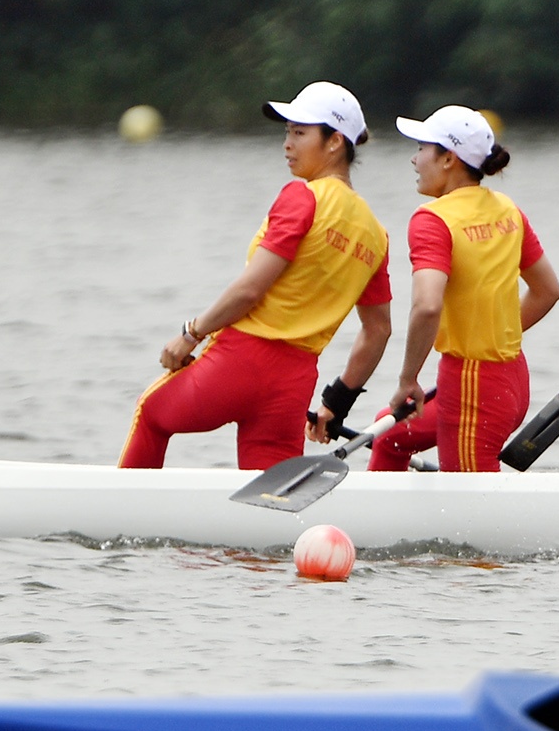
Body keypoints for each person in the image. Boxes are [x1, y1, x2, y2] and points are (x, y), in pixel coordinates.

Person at [119, 82, 392, 470]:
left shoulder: (303, 197)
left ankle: (123, 515)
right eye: (287, 132)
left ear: (334, 142)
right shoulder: (376, 234)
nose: (287, 143)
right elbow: (378, 330)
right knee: (268, 492)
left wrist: (190, 334)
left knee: (153, 413)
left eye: (300, 133)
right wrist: (339, 400)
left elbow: (250, 290)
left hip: (241, 360)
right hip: (295, 380)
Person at [369, 106, 559, 472]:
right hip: (512, 380)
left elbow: (427, 306)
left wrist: (408, 379)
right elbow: (548, 290)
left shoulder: (432, 219)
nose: (414, 159)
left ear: (448, 159)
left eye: (422, 148)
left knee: (472, 519)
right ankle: (377, 522)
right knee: (390, 434)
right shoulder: (508, 209)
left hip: (473, 385)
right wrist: (493, 334)